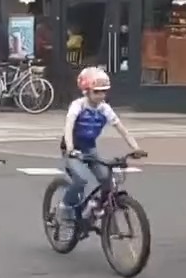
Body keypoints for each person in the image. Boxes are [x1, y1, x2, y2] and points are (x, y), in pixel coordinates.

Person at [52, 66, 143, 226]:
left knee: (106, 179)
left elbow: (121, 128)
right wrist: (71, 148)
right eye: (97, 92)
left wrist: (136, 148)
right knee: (80, 180)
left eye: (104, 91)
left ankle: (97, 206)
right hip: (73, 149)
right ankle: (65, 207)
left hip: (89, 148)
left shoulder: (104, 109)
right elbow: (68, 126)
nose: (101, 96)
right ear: (86, 91)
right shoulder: (78, 106)